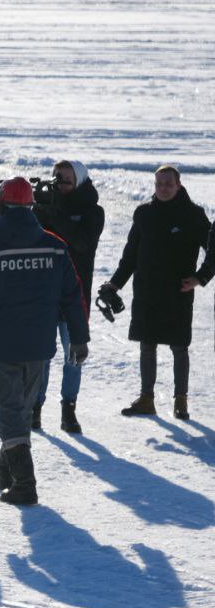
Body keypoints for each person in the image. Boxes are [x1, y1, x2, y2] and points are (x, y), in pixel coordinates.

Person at [0, 177, 89, 506]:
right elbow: (73, 295)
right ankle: (5, 470)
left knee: (9, 412)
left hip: (1, 345)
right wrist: (79, 337)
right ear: (30, 208)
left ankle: (25, 484)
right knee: (20, 409)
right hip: (38, 345)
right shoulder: (54, 247)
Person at [102, 165, 211, 419]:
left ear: (179, 185)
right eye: (159, 184)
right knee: (147, 345)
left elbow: (213, 250)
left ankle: (180, 400)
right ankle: (146, 399)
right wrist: (115, 284)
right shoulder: (144, 214)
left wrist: (200, 277)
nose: (163, 188)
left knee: (179, 347)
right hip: (147, 292)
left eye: (168, 184)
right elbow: (130, 256)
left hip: (178, 292)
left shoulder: (193, 215)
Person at [32, 160, 104, 433]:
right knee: (42, 353)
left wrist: (55, 214)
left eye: (66, 178)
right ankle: (35, 407)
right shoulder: (44, 207)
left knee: (74, 355)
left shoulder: (93, 212)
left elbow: (82, 242)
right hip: (44, 292)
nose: (60, 183)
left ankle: (68, 409)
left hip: (76, 294)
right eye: (56, 177)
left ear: (80, 180)